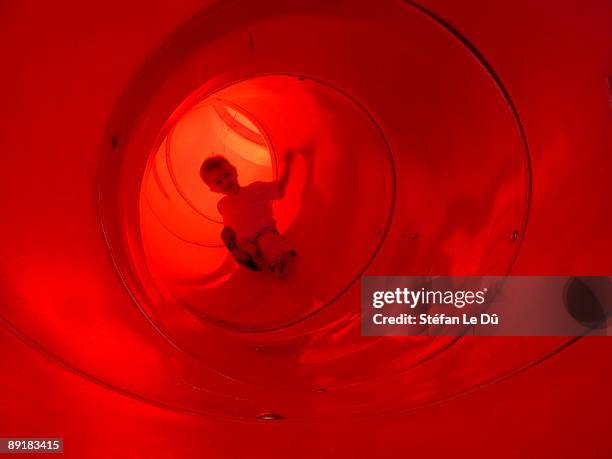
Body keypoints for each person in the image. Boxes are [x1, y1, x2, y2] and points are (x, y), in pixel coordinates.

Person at [200, 151, 296, 278]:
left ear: (234, 171)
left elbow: (279, 188)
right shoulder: (222, 205)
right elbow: (229, 225)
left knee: (267, 241)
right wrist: (235, 240)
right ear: (214, 189)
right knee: (231, 237)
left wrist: (288, 164)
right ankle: (247, 256)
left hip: (264, 231)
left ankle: (278, 262)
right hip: (245, 241)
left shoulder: (254, 189)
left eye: (227, 175)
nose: (225, 182)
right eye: (218, 182)